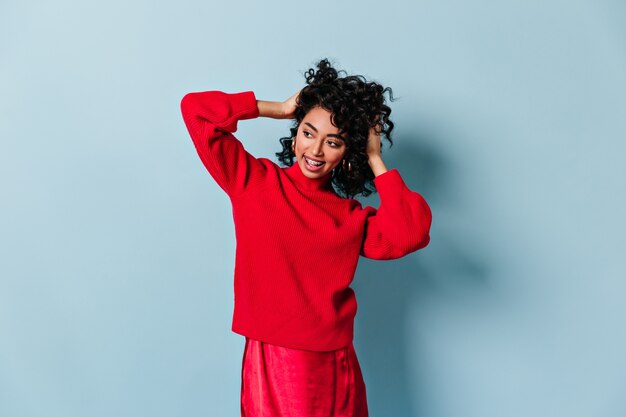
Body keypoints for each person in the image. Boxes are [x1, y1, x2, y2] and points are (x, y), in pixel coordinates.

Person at [180, 58, 432, 417]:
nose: (315, 151)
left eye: (333, 142)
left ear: (347, 156)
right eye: (308, 132)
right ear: (296, 133)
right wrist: (278, 108)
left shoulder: (349, 217)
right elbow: (196, 110)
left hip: (337, 362)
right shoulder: (255, 182)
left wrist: (376, 158)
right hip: (278, 361)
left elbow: (410, 233)